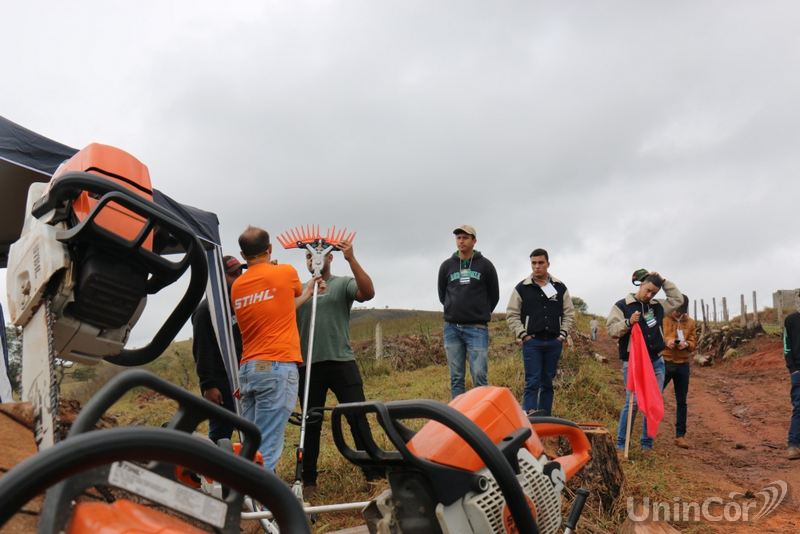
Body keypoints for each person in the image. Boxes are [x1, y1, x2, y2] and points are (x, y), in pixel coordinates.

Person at [296, 239, 383, 499]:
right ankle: (308, 481)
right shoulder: (298, 290)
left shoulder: (342, 283)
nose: (314, 261)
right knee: (310, 423)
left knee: (358, 417)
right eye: (310, 257)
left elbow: (368, 293)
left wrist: (352, 258)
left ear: (330, 258)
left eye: (320, 256)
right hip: (308, 365)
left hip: (341, 361)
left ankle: (373, 475)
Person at [231, 226, 321, 472]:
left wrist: (309, 291)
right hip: (277, 366)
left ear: (242, 254)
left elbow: (280, 306)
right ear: (270, 249)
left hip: (249, 370)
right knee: (266, 447)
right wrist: (305, 285)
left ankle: (244, 502)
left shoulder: (237, 285)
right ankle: (260, 506)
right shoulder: (285, 272)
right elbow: (292, 289)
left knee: (249, 446)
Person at [606, 271, 682, 455]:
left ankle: (646, 444)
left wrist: (663, 281)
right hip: (633, 361)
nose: (650, 295)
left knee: (653, 400)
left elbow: (677, 299)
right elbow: (611, 330)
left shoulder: (657, 307)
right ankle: (621, 445)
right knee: (632, 402)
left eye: (654, 293)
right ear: (641, 285)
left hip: (656, 360)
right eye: (648, 290)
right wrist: (628, 322)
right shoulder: (622, 305)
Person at [506, 248, 575, 416]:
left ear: (547, 264)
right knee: (532, 381)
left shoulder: (559, 287)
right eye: (534, 263)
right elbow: (512, 314)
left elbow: (569, 313)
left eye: (540, 263)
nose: (537, 267)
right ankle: (528, 416)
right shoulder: (522, 288)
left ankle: (544, 417)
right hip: (532, 343)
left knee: (547, 383)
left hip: (554, 342)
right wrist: (524, 335)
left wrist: (562, 335)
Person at [437, 225, 500, 399]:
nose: (461, 241)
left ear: (474, 241)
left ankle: (481, 416)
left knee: (479, 375)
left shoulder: (485, 266)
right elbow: (443, 295)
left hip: (477, 329)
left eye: (465, 237)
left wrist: (479, 312)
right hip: (452, 329)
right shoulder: (446, 266)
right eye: (458, 238)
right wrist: (453, 309)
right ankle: (458, 420)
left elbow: (494, 295)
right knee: (456, 377)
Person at [191, 255, 244, 443]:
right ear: (218, 278)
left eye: (240, 273)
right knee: (221, 431)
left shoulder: (238, 304)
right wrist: (209, 386)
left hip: (242, 375)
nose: (238, 278)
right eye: (232, 275)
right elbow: (202, 350)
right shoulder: (205, 311)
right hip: (220, 381)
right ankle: (211, 469)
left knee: (250, 427)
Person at [661, 294, 696, 449]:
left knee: (682, 401)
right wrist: (666, 341)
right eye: (676, 309)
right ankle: (648, 433)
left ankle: (680, 435)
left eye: (681, 311)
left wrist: (687, 345)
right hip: (664, 361)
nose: (678, 313)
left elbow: (694, 342)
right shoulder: (662, 318)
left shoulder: (690, 322)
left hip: (683, 363)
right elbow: (654, 337)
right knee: (655, 396)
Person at [782, 297, 800, 460]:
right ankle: (793, 445)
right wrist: (792, 369)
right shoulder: (791, 320)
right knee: (799, 408)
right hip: (798, 371)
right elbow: (786, 345)